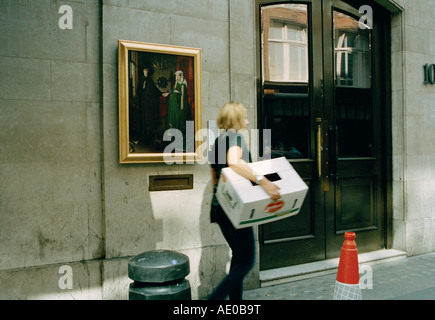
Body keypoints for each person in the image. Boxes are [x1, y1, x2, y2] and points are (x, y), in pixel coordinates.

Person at [208, 102, 281, 300]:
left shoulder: (217, 141)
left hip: (221, 206)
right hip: (235, 208)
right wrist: (264, 182)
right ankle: (213, 300)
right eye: (244, 116)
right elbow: (234, 162)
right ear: (236, 119)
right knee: (247, 260)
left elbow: (215, 177)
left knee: (238, 257)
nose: (247, 120)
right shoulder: (235, 138)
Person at [166, 70, 192, 151]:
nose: (177, 77)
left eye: (178, 76)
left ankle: (180, 142)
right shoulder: (176, 83)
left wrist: (176, 91)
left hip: (180, 106)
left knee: (179, 121)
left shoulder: (183, 85)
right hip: (174, 105)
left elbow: (182, 94)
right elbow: (172, 89)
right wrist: (168, 93)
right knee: (173, 120)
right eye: (176, 76)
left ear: (181, 76)